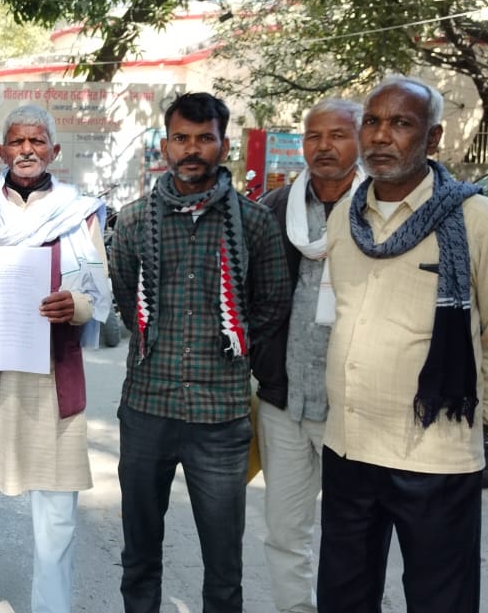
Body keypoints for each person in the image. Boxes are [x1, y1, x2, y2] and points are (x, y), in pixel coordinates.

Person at [317, 75, 488, 613]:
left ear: (432, 138)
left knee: (441, 601)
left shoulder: (477, 220)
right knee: (342, 598)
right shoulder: (346, 216)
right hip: (348, 448)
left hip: (435, 455)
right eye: (372, 122)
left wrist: (479, 416)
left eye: (401, 123)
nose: (380, 136)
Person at [109, 92, 291, 613]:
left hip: (220, 417)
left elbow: (272, 304)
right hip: (147, 408)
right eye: (181, 138)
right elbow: (128, 303)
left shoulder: (254, 222)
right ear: (166, 145)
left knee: (224, 565)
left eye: (204, 138)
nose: (192, 149)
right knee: (139, 554)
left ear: (223, 144)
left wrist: (228, 345)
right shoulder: (135, 221)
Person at [0, 104, 111, 613]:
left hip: (52, 381)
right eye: (17, 141)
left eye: (37, 141)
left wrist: (74, 304)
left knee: (56, 518)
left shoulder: (78, 214)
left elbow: (97, 293)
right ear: (1, 151)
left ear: (53, 151)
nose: (27, 150)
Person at [250, 99, 364, 612]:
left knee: (352, 536)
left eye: (338, 134)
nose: (324, 146)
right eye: (314, 136)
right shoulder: (277, 209)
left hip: (351, 408)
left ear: (360, 139)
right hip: (284, 403)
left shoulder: (379, 211)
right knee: (284, 532)